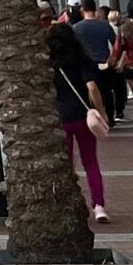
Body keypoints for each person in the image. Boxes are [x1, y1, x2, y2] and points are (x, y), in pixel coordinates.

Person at [48, 16, 110, 223]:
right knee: (91, 162)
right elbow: (92, 87)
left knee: (66, 164)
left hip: (61, 117)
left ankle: (69, 206)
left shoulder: (49, 63)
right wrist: (101, 111)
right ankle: (99, 205)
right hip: (83, 117)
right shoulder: (82, 59)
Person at [72, 1, 121, 129]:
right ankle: (110, 118)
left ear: (83, 9)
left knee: (89, 92)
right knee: (107, 92)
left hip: (86, 63)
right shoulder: (105, 26)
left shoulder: (76, 28)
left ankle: (94, 118)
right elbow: (116, 45)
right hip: (104, 62)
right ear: (95, 9)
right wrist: (113, 60)